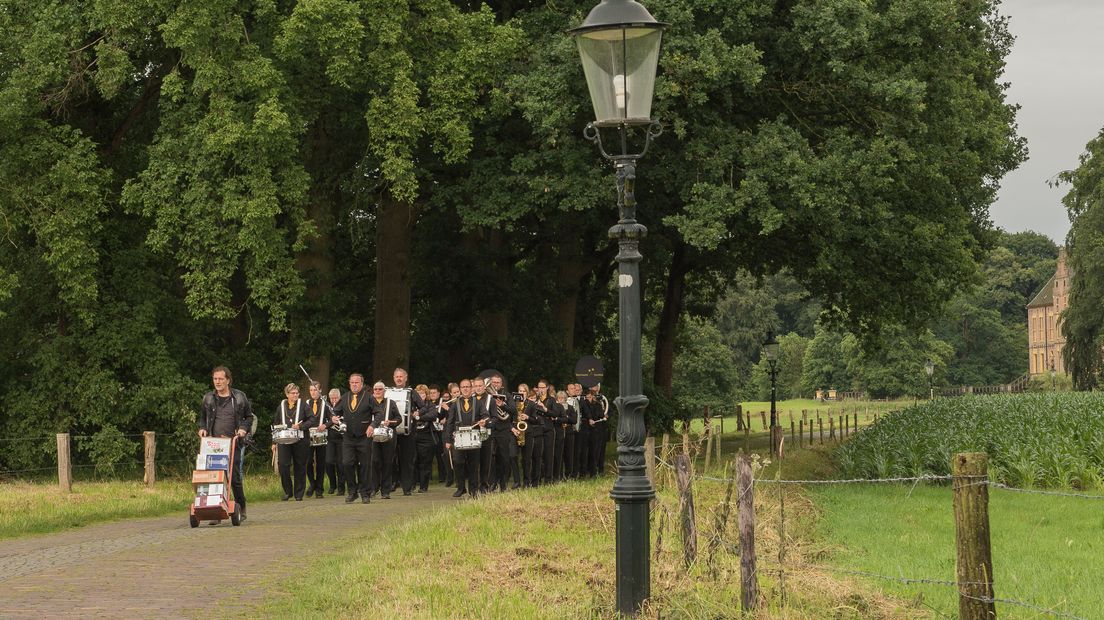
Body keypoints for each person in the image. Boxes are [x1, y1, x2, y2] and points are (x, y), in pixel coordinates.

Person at [198, 366, 254, 521]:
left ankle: (241, 508)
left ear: (228, 380)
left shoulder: (239, 397)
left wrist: (243, 429)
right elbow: (202, 417)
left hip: (233, 443)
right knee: (214, 478)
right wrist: (202, 428)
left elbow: (249, 417)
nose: (218, 382)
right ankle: (215, 511)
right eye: (215, 379)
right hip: (214, 445)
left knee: (234, 477)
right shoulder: (208, 398)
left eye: (221, 379)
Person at [443, 379, 486, 498]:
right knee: (457, 462)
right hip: (458, 438)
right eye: (463, 387)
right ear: (460, 389)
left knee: (473, 464)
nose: (466, 389)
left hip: (474, 437)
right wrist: (447, 440)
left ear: (471, 388)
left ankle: (474, 489)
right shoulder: (455, 403)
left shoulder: (478, 402)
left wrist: (483, 422)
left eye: (468, 386)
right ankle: (461, 487)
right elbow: (450, 422)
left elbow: (485, 416)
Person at [276, 383, 317, 501]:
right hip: (284, 440)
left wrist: (301, 426)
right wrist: (274, 442)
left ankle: (299, 493)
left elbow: (312, 419)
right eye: (292, 393)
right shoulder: (281, 406)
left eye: (297, 393)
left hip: (301, 440)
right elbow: (276, 422)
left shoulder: (304, 405)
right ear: (287, 394)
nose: (295, 395)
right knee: (283, 465)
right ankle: (288, 492)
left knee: (300, 466)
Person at [391, 368, 427, 496]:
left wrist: (417, 413)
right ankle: (391, 484)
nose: (399, 379)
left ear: (406, 378)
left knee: (407, 459)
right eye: (397, 376)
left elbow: (423, 407)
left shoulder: (411, 392)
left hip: (408, 431)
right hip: (392, 430)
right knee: (390, 458)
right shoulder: (389, 392)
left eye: (401, 376)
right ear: (394, 378)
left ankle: (407, 487)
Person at [337, 374, 372, 504]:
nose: (354, 385)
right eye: (352, 382)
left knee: (364, 465)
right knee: (346, 463)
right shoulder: (344, 397)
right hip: (348, 438)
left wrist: (372, 426)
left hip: (364, 437)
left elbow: (379, 413)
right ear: (349, 383)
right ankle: (352, 491)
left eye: (357, 382)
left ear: (362, 383)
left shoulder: (369, 397)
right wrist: (334, 418)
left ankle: (365, 493)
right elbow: (335, 412)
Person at [479, 375, 516, 493]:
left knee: (504, 458)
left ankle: (503, 483)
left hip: (503, 430)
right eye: (493, 382)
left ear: (501, 384)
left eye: (497, 383)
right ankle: (492, 483)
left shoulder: (507, 395)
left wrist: (502, 405)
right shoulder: (488, 397)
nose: (495, 384)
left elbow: (514, 411)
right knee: (490, 459)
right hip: (491, 430)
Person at [368, 381, 401, 499]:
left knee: (387, 462)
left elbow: (399, 418)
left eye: (380, 389)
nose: (377, 391)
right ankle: (373, 488)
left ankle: (385, 491)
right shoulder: (369, 403)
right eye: (375, 389)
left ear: (384, 391)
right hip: (373, 436)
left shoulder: (390, 403)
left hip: (388, 436)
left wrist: (391, 423)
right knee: (375, 462)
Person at [304, 382, 329, 498]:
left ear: (320, 391)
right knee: (307, 462)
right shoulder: (306, 404)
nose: (313, 392)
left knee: (320, 463)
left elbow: (332, 419)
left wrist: (325, 425)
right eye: (311, 390)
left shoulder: (325, 404)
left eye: (315, 390)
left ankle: (319, 489)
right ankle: (312, 484)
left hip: (321, 435)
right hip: (308, 435)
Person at [517, 383, 545, 487]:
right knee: (520, 459)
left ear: (527, 393)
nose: (522, 393)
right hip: (517, 433)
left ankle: (528, 482)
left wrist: (527, 417)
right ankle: (519, 480)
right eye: (520, 391)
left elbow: (536, 420)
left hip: (528, 433)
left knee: (527, 459)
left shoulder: (531, 404)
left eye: (524, 391)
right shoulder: (515, 403)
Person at [324, 387, 346, 495]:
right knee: (328, 462)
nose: (333, 400)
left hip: (341, 439)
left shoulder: (343, 405)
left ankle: (341, 487)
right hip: (331, 438)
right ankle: (333, 485)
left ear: (339, 397)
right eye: (331, 398)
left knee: (340, 464)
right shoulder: (327, 407)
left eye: (335, 398)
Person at [588, 383, 611, 476]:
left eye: (597, 386)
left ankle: (601, 469)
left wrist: (607, 415)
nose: (596, 388)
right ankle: (592, 469)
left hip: (603, 427)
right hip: (594, 428)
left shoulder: (602, 398)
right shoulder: (589, 398)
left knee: (602, 449)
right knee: (594, 450)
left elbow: (609, 410)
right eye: (594, 386)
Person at [558, 388, 578, 481]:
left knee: (569, 454)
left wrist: (566, 417)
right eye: (559, 398)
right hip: (559, 432)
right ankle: (560, 475)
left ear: (566, 398)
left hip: (569, 433)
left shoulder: (570, 407)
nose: (561, 399)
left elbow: (574, 420)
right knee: (559, 454)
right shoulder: (556, 407)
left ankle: (569, 474)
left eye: (562, 398)